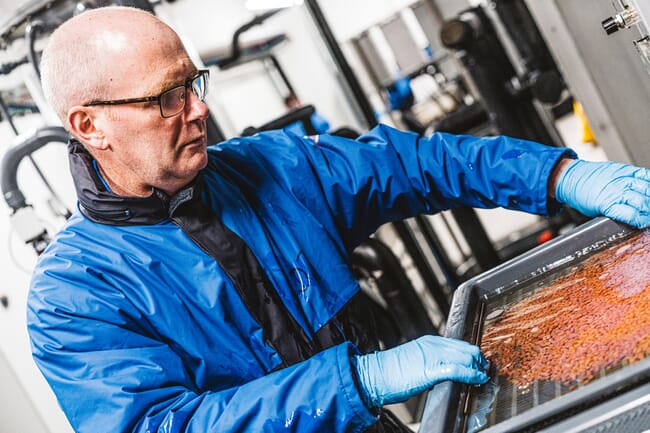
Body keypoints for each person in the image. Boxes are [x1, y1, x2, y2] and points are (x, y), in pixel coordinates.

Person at [27, 6, 650, 433]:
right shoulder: (75, 293)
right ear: (89, 125)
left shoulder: (269, 170)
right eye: (168, 97)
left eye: (195, 84)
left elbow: (416, 165)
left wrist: (559, 175)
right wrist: (357, 381)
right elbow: (160, 425)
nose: (197, 110)